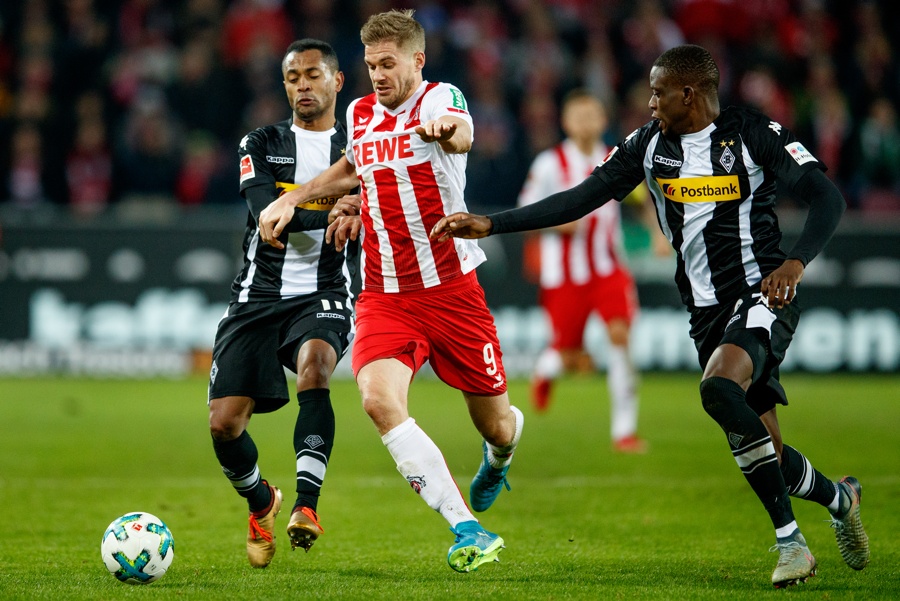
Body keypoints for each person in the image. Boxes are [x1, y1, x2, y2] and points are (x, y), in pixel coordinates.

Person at [431, 44, 869, 588]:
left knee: (717, 391)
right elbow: (582, 196)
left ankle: (792, 544)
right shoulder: (649, 145)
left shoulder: (754, 134)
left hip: (763, 291)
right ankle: (838, 498)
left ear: (689, 93)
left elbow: (827, 197)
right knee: (763, 446)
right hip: (704, 309)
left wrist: (796, 264)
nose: (649, 100)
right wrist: (492, 224)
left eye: (659, 91)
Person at [257, 10, 524, 574]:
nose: (377, 75)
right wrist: (300, 199)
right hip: (385, 295)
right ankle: (467, 529)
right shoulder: (358, 112)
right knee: (377, 400)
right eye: (370, 64)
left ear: (416, 61)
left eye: (388, 63)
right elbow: (355, 167)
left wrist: (448, 132)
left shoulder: (438, 101)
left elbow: (464, 130)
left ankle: (502, 451)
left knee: (495, 425)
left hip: (453, 292)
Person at [207, 39, 355, 569]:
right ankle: (262, 502)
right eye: (293, 77)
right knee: (224, 425)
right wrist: (341, 209)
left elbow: (381, 204)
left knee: (316, 367)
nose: (302, 86)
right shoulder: (262, 143)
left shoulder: (359, 146)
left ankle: (307, 507)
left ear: (336, 82)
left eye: (313, 75)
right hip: (257, 295)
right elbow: (269, 215)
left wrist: (357, 207)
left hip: (324, 292)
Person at [518, 89, 661, 453]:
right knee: (568, 356)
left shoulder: (615, 159)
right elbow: (525, 213)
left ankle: (624, 431)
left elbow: (641, 199)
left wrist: (657, 233)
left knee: (620, 338)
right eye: (577, 116)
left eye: (592, 115)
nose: (585, 122)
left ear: (602, 120)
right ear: (565, 122)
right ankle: (546, 369)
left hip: (607, 268)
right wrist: (558, 224)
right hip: (564, 274)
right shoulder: (550, 164)